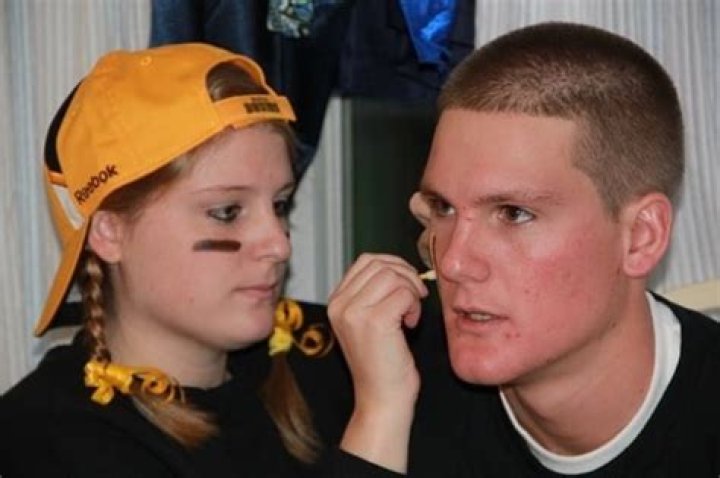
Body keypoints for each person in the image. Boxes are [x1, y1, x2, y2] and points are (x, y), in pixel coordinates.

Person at [328, 21, 720, 476]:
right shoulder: (388, 380)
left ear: (641, 236)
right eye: (443, 207)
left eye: (514, 213)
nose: (453, 262)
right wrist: (380, 412)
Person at [0, 43, 353, 477]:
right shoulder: (45, 441)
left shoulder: (327, 352)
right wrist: (381, 414)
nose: (279, 245)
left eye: (280, 205)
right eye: (227, 212)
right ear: (109, 233)